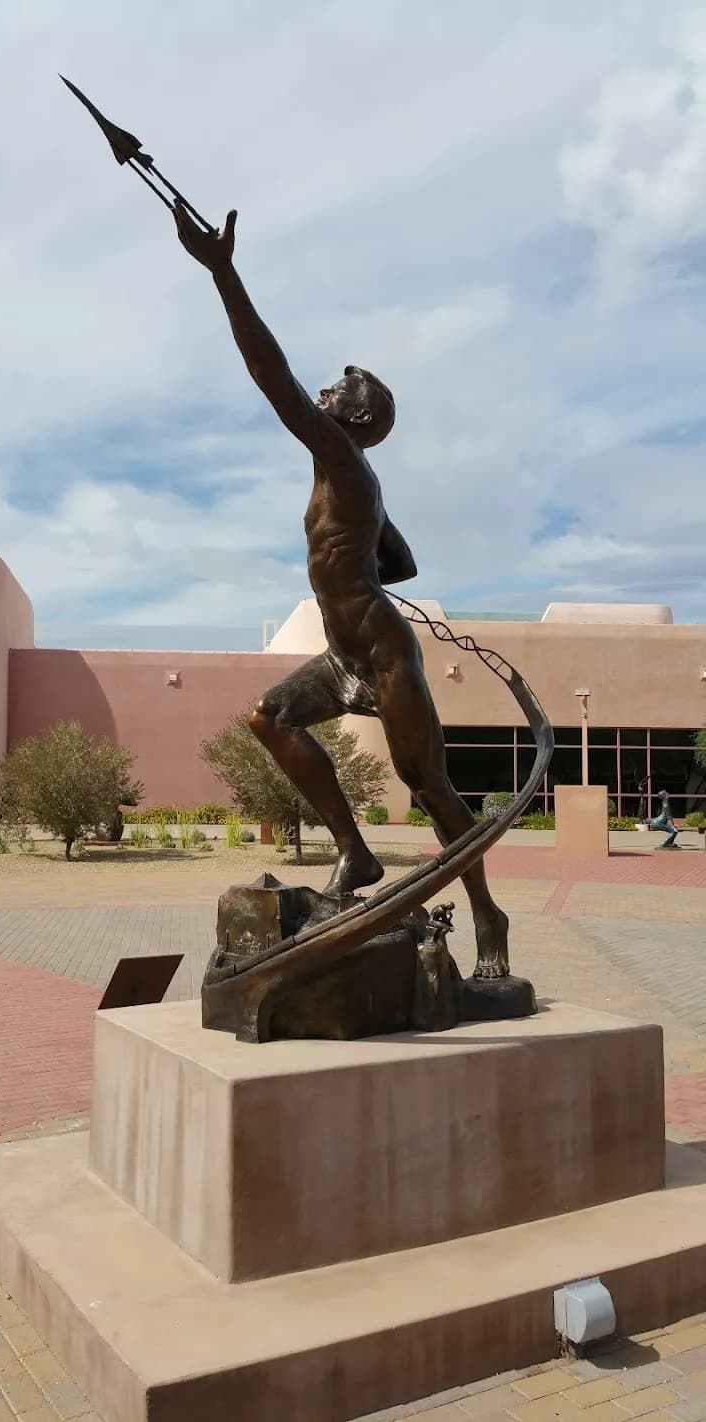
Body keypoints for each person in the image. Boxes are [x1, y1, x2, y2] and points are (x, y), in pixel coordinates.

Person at [172, 204, 509, 980]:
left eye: (335, 389)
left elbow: (271, 376)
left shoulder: (339, 453)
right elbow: (403, 560)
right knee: (269, 717)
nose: (321, 392)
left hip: (383, 654)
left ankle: (489, 913)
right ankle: (355, 852)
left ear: (353, 416)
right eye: (329, 386)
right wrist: (364, 562)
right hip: (344, 651)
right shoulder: (354, 476)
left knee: (428, 786)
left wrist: (224, 274)